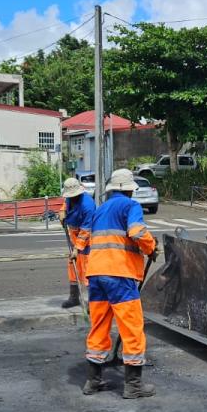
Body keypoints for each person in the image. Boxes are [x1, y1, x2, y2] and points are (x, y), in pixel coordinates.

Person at [81, 168, 157, 398]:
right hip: (119, 275)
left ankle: (93, 381)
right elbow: (136, 231)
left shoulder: (100, 209)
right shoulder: (130, 206)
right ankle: (133, 385)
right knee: (132, 327)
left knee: (99, 327)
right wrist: (151, 247)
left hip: (96, 275)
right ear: (129, 190)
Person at [60, 177, 95, 309]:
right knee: (72, 266)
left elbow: (86, 230)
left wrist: (77, 249)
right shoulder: (70, 198)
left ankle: (93, 303)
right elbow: (64, 205)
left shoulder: (88, 205)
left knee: (88, 271)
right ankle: (74, 297)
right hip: (74, 236)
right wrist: (62, 212)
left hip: (87, 240)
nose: (71, 198)